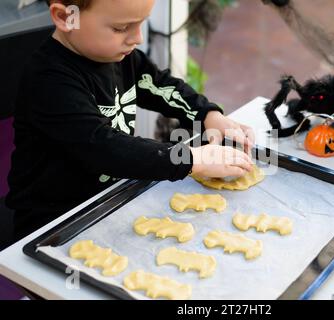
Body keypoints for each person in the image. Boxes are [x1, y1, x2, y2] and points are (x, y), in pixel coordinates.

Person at [6, 0, 255, 241]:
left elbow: (160, 86)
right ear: (65, 17)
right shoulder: (49, 81)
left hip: (110, 203)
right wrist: (192, 159)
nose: (138, 38)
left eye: (141, 23)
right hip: (52, 226)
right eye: (121, 28)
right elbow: (106, 149)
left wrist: (207, 115)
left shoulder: (119, 56)